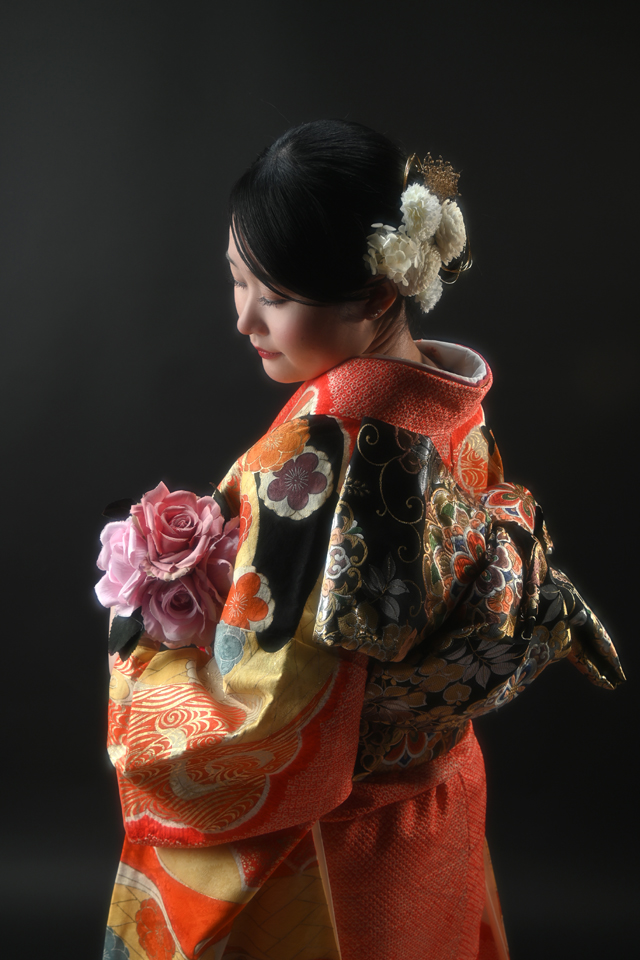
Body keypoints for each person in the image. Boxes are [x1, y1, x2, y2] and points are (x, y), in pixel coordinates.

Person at [101, 120, 624, 960]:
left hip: (329, 837)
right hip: (436, 803)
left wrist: (144, 650)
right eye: (237, 281)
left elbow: (269, 704)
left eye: (273, 297)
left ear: (380, 293)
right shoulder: (450, 403)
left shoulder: (331, 444)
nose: (244, 319)